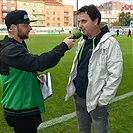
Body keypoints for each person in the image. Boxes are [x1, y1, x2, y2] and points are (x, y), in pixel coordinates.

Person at [0, 10, 75, 133]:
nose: (30, 28)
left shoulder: (18, 45)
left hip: (25, 104)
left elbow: (23, 68)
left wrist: (35, 77)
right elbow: (39, 63)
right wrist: (63, 47)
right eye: (25, 25)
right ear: (13, 28)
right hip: (20, 107)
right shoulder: (9, 50)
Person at [65, 5, 123, 133]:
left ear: (95, 21)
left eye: (84, 21)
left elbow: (115, 75)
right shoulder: (83, 41)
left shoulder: (109, 43)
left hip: (97, 100)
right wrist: (74, 86)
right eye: (79, 21)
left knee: (101, 130)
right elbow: (78, 67)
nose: (80, 25)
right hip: (79, 97)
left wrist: (103, 99)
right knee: (83, 130)